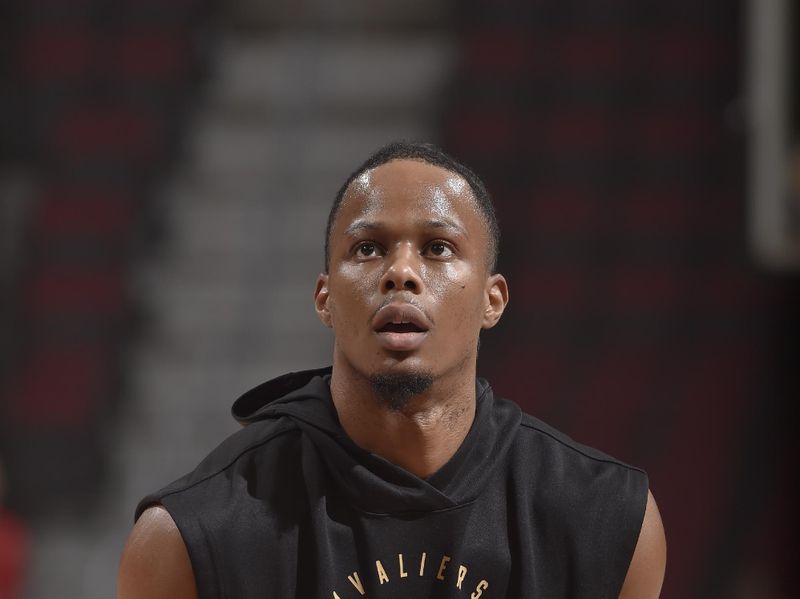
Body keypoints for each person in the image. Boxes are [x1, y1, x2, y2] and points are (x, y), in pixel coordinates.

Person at [118, 142, 666, 598]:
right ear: (324, 298)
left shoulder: (605, 522)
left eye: (437, 247)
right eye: (369, 248)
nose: (400, 272)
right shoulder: (191, 539)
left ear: (492, 300)